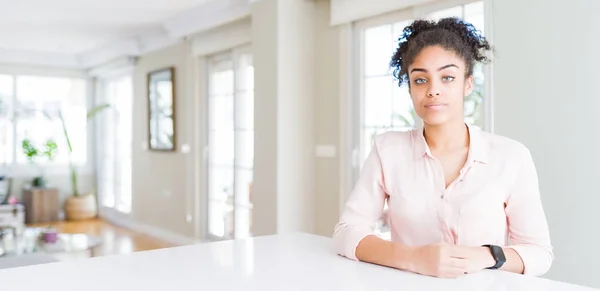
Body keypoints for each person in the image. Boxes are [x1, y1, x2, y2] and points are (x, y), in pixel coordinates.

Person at [333, 17, 553, 279]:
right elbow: (347, 231)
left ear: (467, 84)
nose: (433, 90)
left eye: (447, 77)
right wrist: (414, 258)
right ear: (410, 88)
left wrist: (484, 256)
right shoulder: (388, 150)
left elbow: (539, 252)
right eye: (420, 80)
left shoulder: (511, 156)